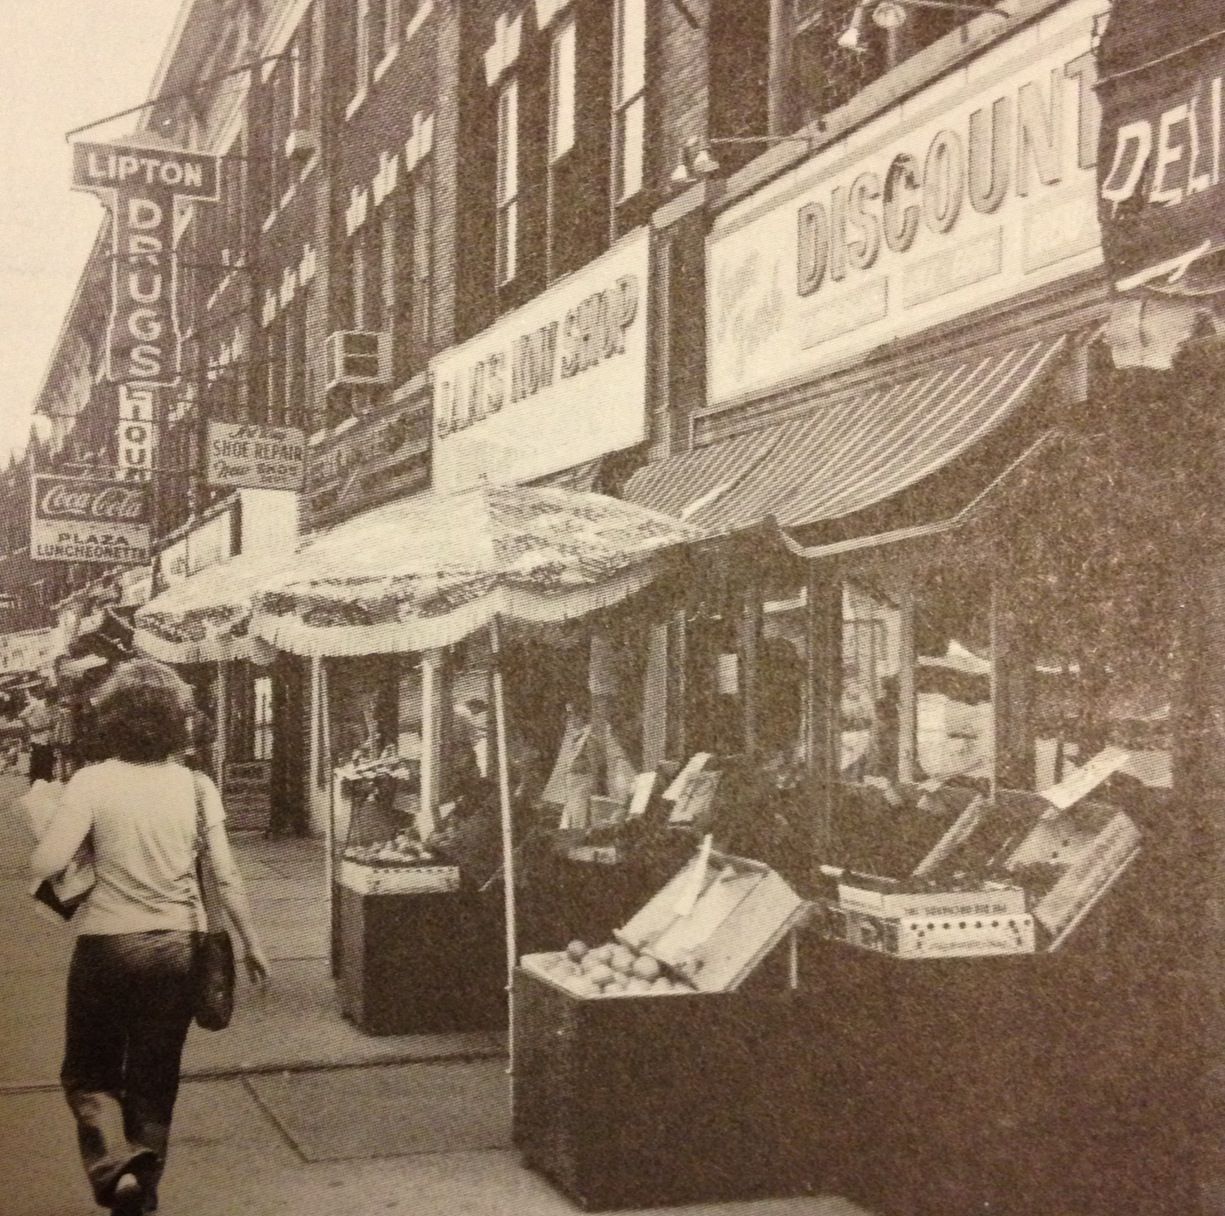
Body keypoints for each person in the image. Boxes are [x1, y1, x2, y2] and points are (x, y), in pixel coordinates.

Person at [29, 658, 272, 1216]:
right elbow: (227, 873)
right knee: (155, 1071)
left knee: (89, 1070)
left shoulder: (91, 781)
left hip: (106, 946)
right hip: (176, 949)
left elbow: (47, 861)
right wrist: (252, 941)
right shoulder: (197, 786)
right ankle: (145, 1185)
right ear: (176, 722)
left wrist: (61, 826)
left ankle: (113, 1159)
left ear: (111, 720)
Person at [20, 683, 56, 783]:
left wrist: (51, 725)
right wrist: (31, 727)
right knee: (37, 761)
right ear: (47, 696)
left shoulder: (53, 707)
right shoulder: (36, 704)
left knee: (48, 760)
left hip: (47, 737)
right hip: (37, 738)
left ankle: (46, 781)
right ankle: (35, 782)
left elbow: (53, 722)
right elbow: (22, 716)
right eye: (50, 697)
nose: (52, 701)